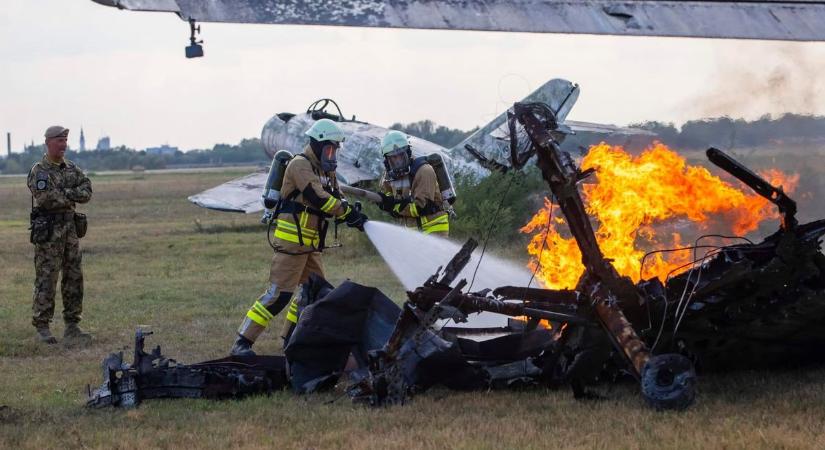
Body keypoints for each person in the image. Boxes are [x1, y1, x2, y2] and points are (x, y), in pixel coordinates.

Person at [230, 119, 368, 356]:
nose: (332, 153)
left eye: (335, 149)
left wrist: (353, 213)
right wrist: (346, 211)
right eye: (329, 148)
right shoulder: (299, 165)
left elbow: (337, 196)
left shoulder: (327, 170)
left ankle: (289, 340)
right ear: (317, 144)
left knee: (311, 293)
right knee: (279, 296)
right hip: (292, 243)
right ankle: (242, 343)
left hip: (311, 244)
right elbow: (318, 198)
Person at [27, 125, 93, 344]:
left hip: (70, 230)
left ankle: (72, 325)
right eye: (59, 141)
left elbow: (87, 190)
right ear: (48, 142)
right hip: (49, 233)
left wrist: (65, 193)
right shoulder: (40, 170)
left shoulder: (71, 168)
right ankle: (42, 326)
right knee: (47, 278)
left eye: (65, 140)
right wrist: (71, 195)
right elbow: (46, 199)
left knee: (74, 277)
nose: (63, 144)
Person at [377, 130, 449, 236]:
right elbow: (389, 194)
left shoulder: (424, 171)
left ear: (408, 153)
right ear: (387, 159)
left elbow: (421, 207)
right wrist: (384, 201)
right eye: (393, 157)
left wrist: (394, 206)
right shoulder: (389, 176)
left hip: (434, 228)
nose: (398, 161)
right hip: (412, 232)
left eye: (401, 155)